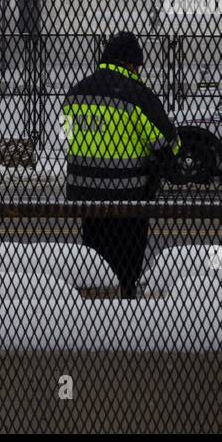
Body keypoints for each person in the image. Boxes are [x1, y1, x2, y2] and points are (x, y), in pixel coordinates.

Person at [61, 31, 180, 297]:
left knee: (96, 260)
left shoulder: (75, 93)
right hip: (128, 196)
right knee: (127, 265)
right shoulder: (137, 96)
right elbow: (168, 144)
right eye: (137, 67)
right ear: (129, 64)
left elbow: (65, 139)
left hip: (86, 195)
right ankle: (124, 309)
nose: (138, 72)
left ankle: (96, 314)